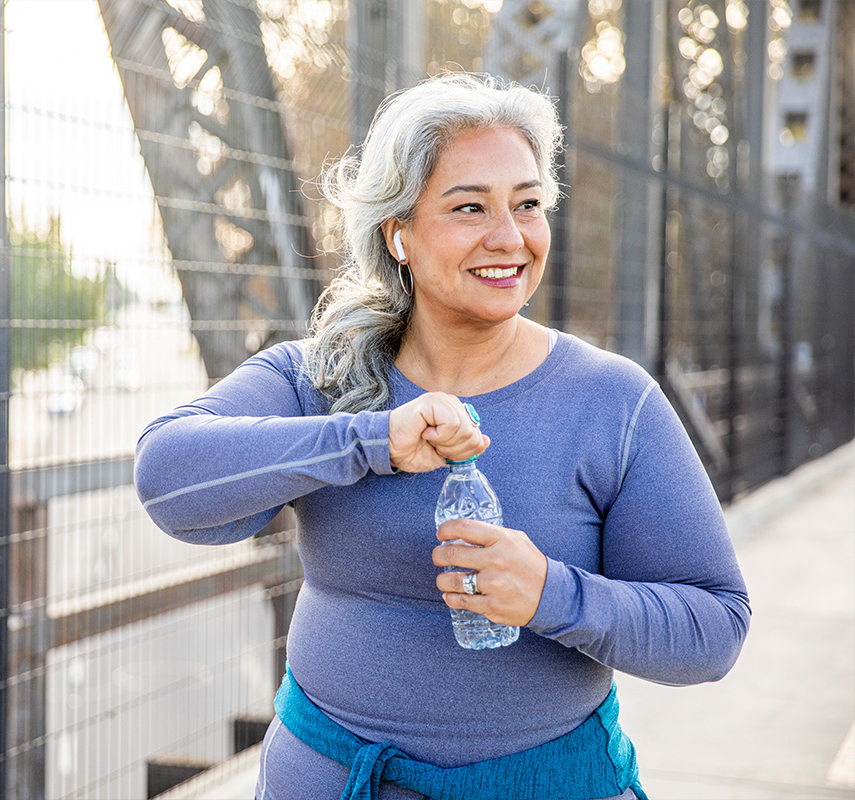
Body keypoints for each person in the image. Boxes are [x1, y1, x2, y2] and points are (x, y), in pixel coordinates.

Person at [134, 72, 750, 800]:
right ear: (399, 234)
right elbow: (167, 477)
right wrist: (366, 441)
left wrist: (553, 594)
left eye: (528, 204)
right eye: (469, 208)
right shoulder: (320, 377)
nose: (509, 238)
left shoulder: (614, 402)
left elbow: (714, 629)